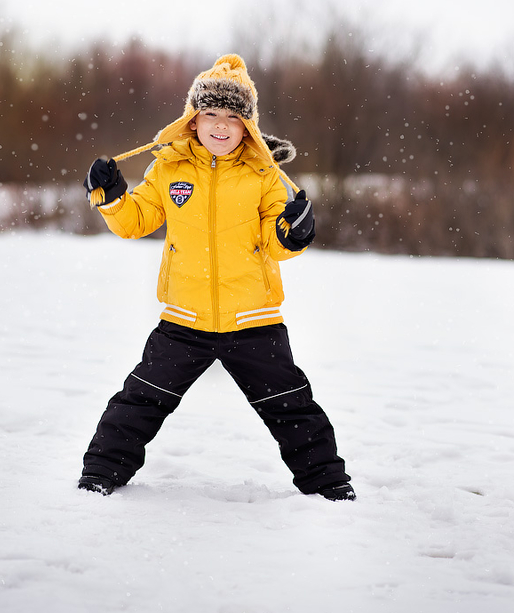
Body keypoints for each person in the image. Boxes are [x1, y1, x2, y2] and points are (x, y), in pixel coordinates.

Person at [78, 54, 355, 501]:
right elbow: (136, 220)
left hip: (253, 319)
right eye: (211, 114)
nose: (221, 125)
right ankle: (100, 474)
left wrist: (294, 233)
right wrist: (112, 197)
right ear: (193, 119)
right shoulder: (170, 167)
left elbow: (277, 239)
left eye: (233, 117)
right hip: (184, 320)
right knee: (141, 398)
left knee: (291, 406)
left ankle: (329, 485)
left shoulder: (265, 175)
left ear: (248, 126)